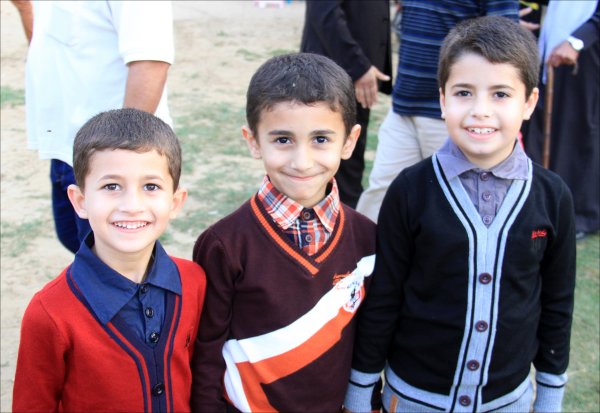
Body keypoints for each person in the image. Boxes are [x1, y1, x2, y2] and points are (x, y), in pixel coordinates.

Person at [344, 16, 576, 413]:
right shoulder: (410, 190)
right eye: (464, 92)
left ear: (529, 102)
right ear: (443, 100)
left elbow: (557, 303)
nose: (480, 111)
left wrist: (550, 396)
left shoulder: (552, 197)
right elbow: (384, 297)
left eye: (500, 94)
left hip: (508, 401)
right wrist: (360, 389)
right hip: (413, 397)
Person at [191, 53, 377, 412]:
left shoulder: (367, 238)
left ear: (350, 141)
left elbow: (367, 344)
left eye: (320, 139)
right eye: (282, 140)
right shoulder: (224, 245)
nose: (302, 161)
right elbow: (206, 352)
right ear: (253, 141)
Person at [13, 109, 207, 412]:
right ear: (80, 201)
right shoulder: (48, 313)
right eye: (111, 186)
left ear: (175, 201)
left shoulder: (194, 281)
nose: (132, 205)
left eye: (151, 186)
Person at [22, 1, 174, 253]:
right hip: (67, 147)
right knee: (80, 247)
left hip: (109, 154)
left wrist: (121, 162)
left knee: (112, 260)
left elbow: (150, 63)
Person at [355, 0, 519, 222]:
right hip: (403, 106)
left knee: (455, 207)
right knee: (379, 196)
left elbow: (505, 46)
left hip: (455, 117)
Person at [300, 0, 392, 208]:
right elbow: (324, 13)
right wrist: (358, 66)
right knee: (326, 167)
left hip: (352, 75)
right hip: (329, 75)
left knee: (349, 163)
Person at [523, 1, 599, 240]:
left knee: (580, 130)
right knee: (545, 126)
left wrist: (578, 41)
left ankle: (580, 216)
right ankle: (546, 206)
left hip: (586, 52)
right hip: (553, 46)